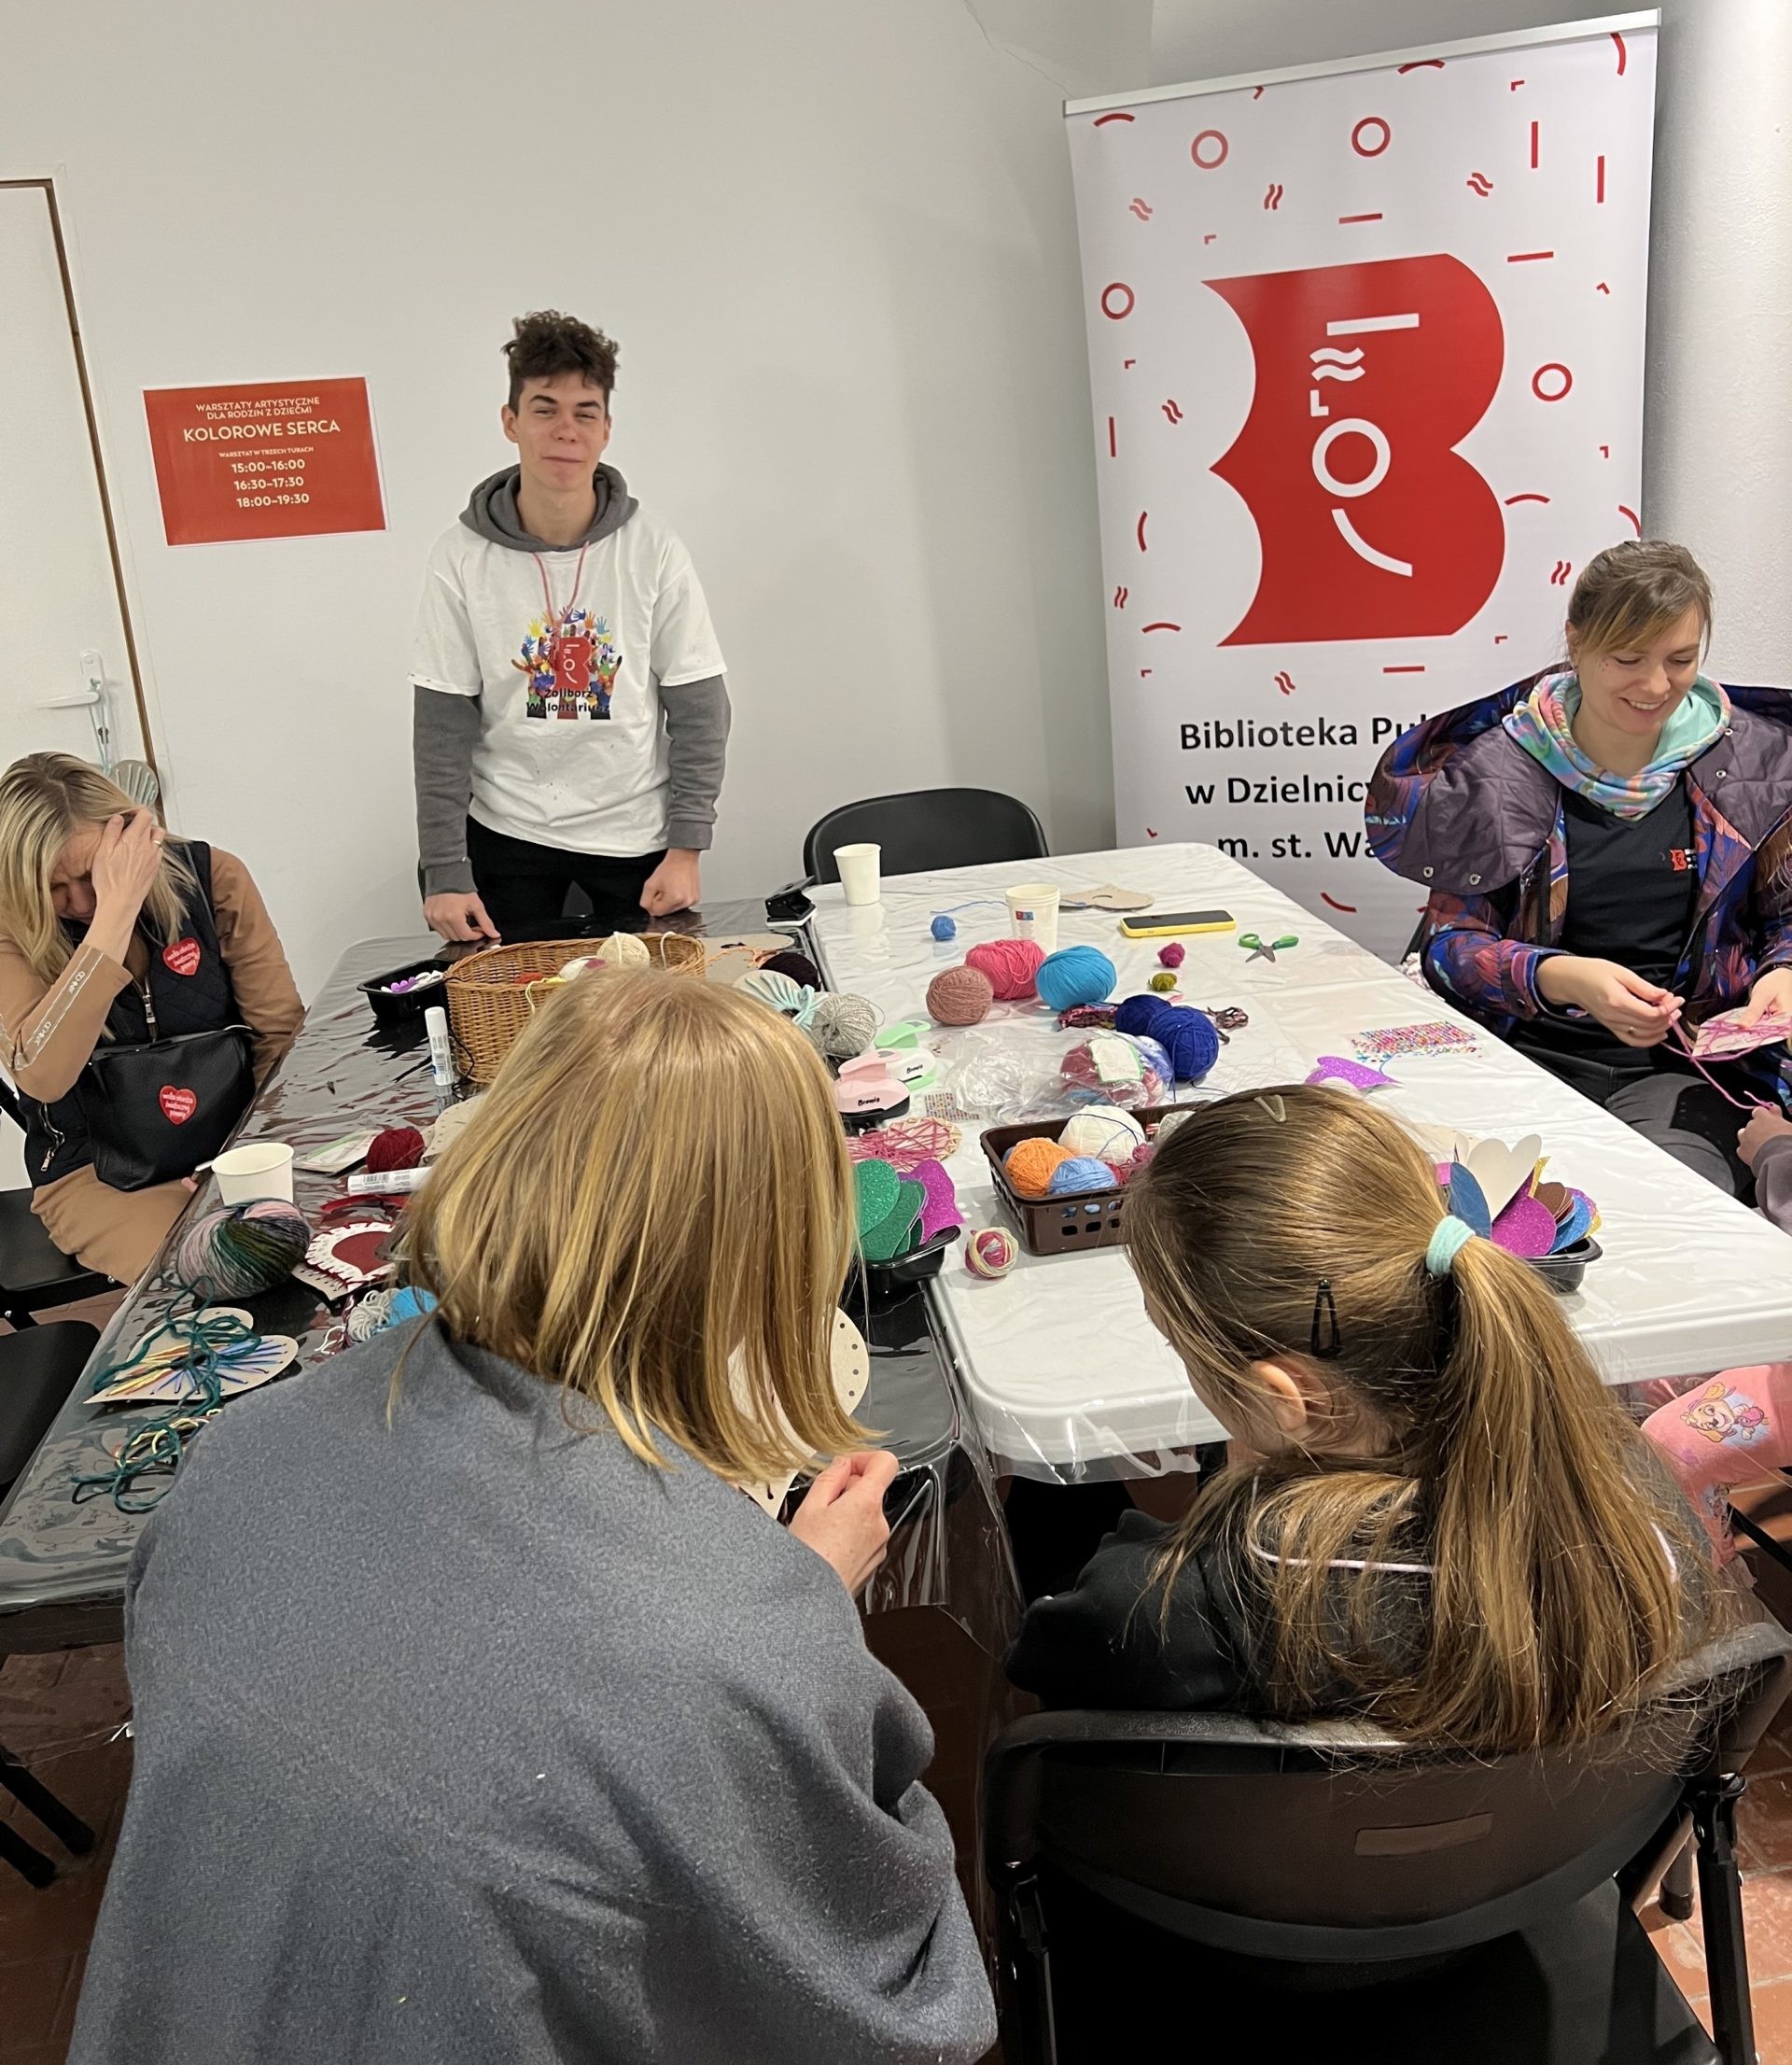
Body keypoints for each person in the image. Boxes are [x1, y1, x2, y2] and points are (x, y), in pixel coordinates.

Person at [70, 973, 994, 2065]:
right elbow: (902, 2009)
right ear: (773, 1252)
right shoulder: (734, 1641)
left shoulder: (235, 1455)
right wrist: (802, 1611)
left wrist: (762, 1610)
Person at [1008, 1085, 1724, 1733]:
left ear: (1284, 1399)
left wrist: (1242, 1479)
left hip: (1244, 1840)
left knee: (1048, 1498)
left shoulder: (1161, 1606)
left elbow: (1049, 1659)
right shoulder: (1641, 1519)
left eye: (1178, 1342)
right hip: (1537, 1839)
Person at [1365, 541, 1792, 1200]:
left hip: (1686, 1075)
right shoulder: (1498, 772)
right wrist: (1563, 977)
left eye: (1680, 660)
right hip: (1524, 1058)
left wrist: (1780, 975)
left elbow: (1783, 918)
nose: (1656, 687)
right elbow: (1450, 948)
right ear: (1576, 641)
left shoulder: (1756, 767)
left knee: (1674, 1206)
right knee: (1488, 1213)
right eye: (1628, 659)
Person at [413, 309, 731, 943]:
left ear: (606, 429)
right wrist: (445, 870)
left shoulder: (653, 549)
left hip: (637, 838)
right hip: (507, 834)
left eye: (585, 412)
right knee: (512, 1005)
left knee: (648, 1004)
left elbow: (700, 706)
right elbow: (442, 724)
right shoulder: (461, 555)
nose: (566, 429)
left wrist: (688, 845)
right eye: (545, 408)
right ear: (511, 421)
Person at [0, 753, 301, 1282]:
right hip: (98, 1175)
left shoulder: (214, 878)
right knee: (221, 1270)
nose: (80, 902)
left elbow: (279, 1035)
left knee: (324, 1240)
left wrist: (244, 1155)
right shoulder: (10, 924)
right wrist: (113, 918)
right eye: (53, 886)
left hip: (235, 1140)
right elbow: (42, 1076)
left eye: (92, 875)